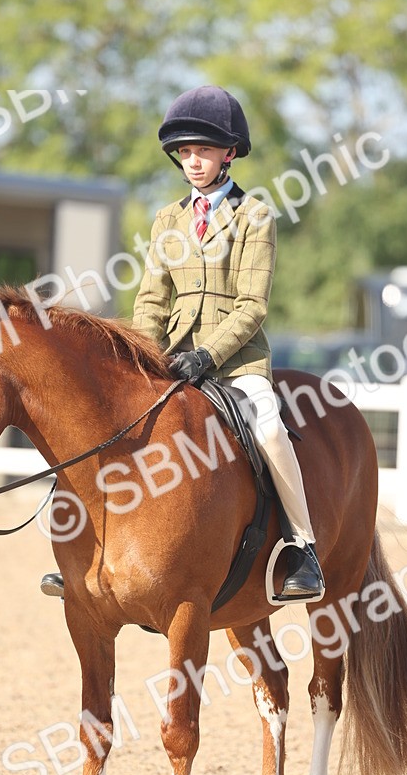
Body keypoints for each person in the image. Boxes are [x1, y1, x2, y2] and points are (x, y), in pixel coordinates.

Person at [41, 85, 323, 601]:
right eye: (186, 153)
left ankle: (302, 547)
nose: (193, 161)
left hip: (235, 365)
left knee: (269, 428)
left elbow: (252, 306)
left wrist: (207, 355)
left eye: (204, 151)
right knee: (107, 423)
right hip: (170, 360)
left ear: (229, 153)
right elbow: (151, 299)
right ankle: (86, 552)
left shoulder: (253, 216)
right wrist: (140, 357)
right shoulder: (168, 219)